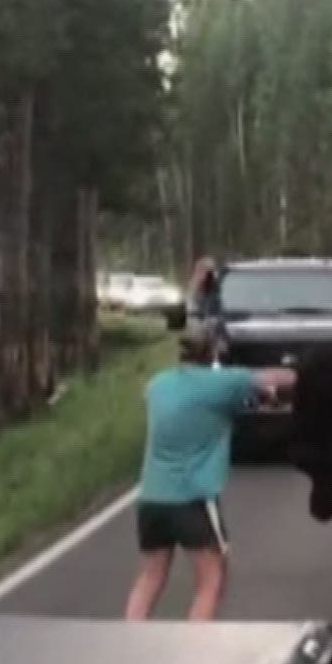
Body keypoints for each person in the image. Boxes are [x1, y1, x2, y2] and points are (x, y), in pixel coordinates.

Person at [124, 261, 294, 621]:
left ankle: (129, 642)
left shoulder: (156, 385)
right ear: (214, 352)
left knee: (152, 576)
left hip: (151, 498)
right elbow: (274, 378)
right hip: (193, 499)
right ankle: (194, 651)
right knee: (212, 576)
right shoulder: (224, 383)